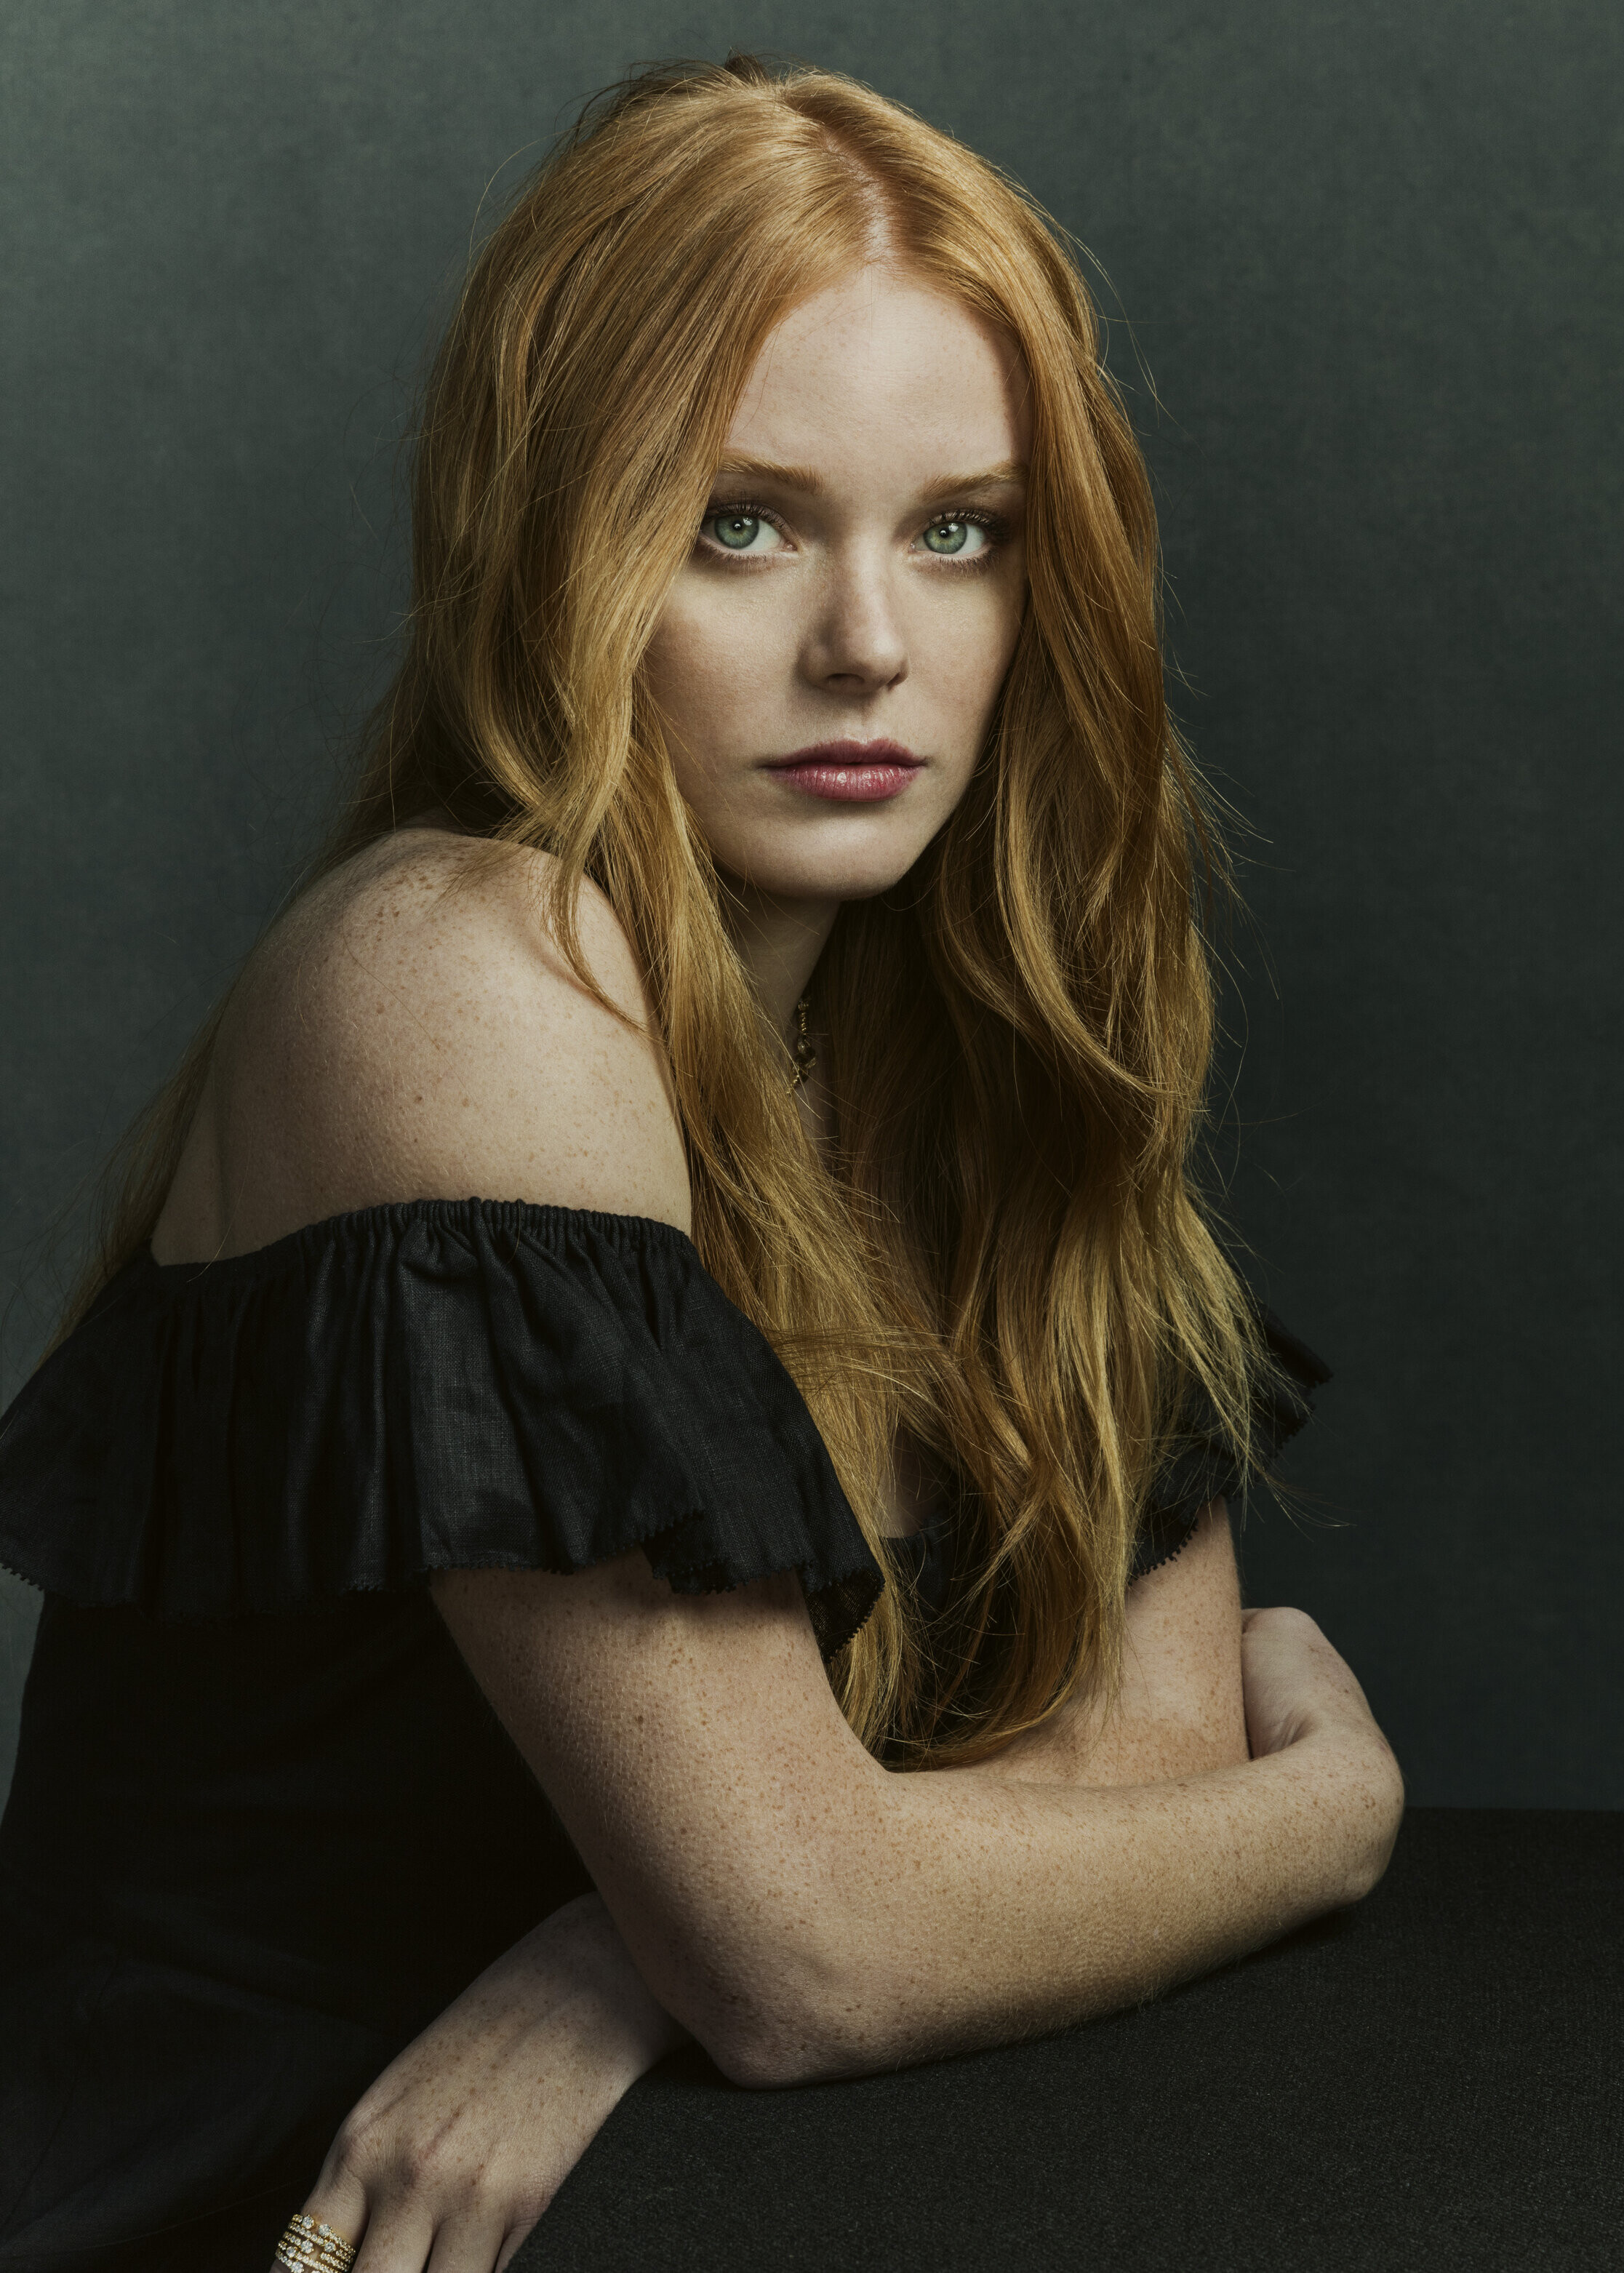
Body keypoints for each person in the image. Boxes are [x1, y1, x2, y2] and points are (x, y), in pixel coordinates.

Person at [0, 55, 1402, 2273]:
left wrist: (608, 1965)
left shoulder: (976, 1051)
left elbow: (1125, 1771)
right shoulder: (460, 975)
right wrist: (1325, 1808)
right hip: (255, 2221)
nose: (869, 645)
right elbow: (823, 1952)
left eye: (960, 531)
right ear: (554, 543)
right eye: (740, 522)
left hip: (664, 2201)